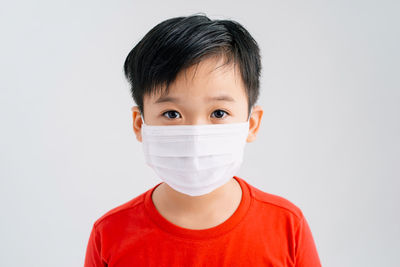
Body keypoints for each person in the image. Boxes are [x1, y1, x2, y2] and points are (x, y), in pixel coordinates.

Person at [84, 14, 321, 267]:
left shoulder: (286, 227)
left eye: (219, 113)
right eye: (172, 114)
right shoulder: (110, 234)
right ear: (139, 124)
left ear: (252, 124)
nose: (195, 136)